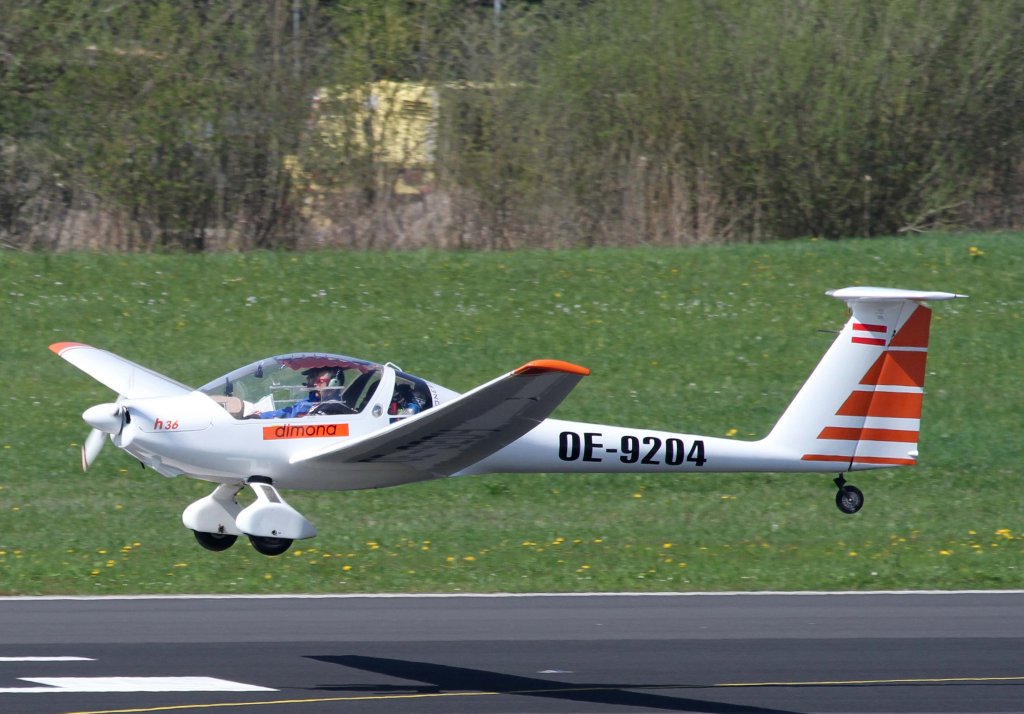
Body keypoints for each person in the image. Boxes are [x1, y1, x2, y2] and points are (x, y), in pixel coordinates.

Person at [254, 369, 334, 419]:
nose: (313, 383)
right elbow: (290, 412)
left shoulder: (333, 407)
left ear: (333, 384)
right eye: (310, 377)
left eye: (318, 380)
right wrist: (261, 416)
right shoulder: (310, 401)